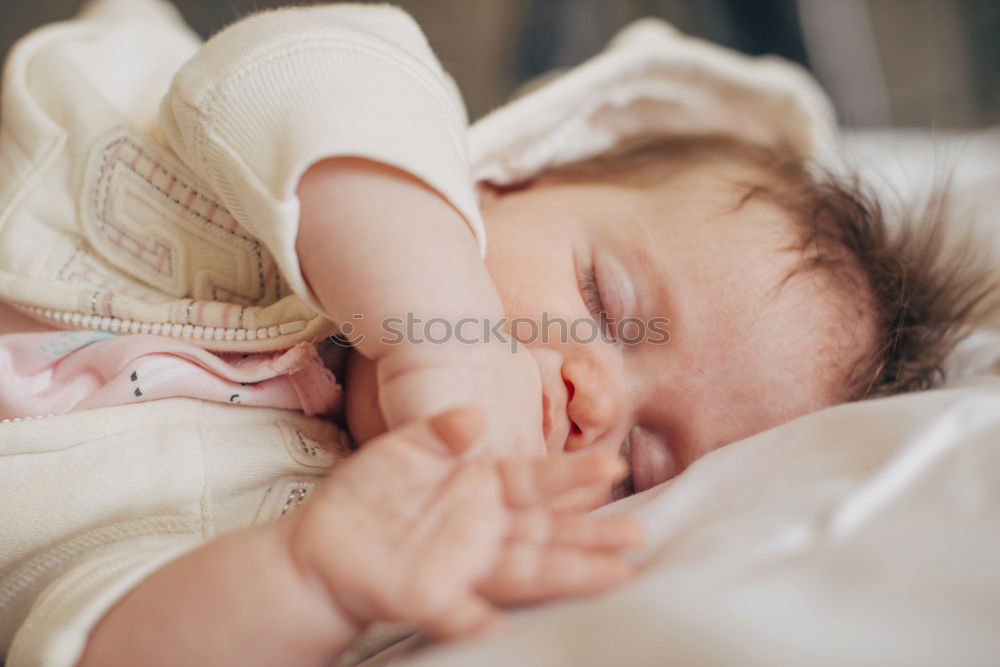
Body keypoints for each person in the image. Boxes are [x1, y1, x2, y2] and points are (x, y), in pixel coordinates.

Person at [0, 1, 989, 665]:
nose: (590, 400)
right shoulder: (355, 173)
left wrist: (306, 575)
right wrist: (452, 332)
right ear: (503, 180)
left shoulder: (323, 530)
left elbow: (84, 637)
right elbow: (300, 70)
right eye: (605, 302)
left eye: (641, 464)